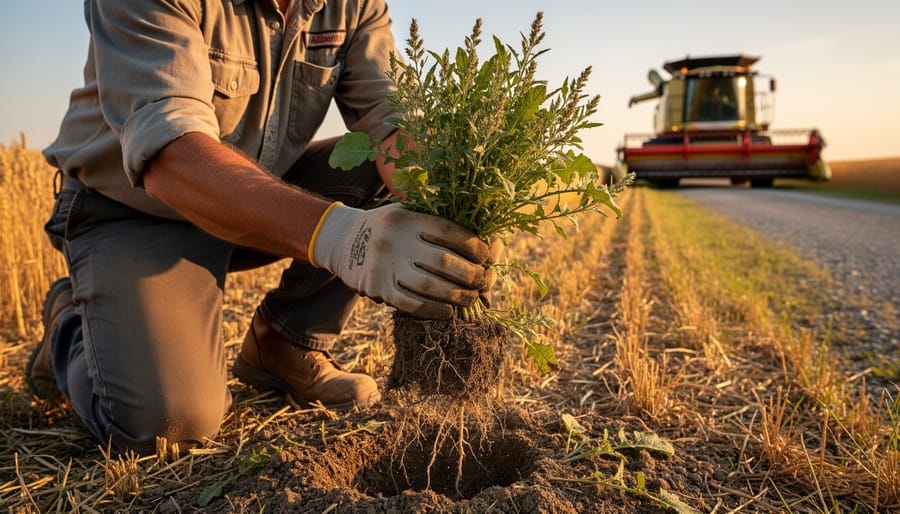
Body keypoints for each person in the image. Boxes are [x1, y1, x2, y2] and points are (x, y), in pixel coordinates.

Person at [26, 0, 495, 455]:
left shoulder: (354, 4)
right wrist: (344, 238)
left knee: (385, 175)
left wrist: (447, 213)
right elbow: (170, 155)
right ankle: (68, 323)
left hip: (259, 197)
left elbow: (392, 120)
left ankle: (285, 343)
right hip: (136, 212)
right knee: (170, 424)